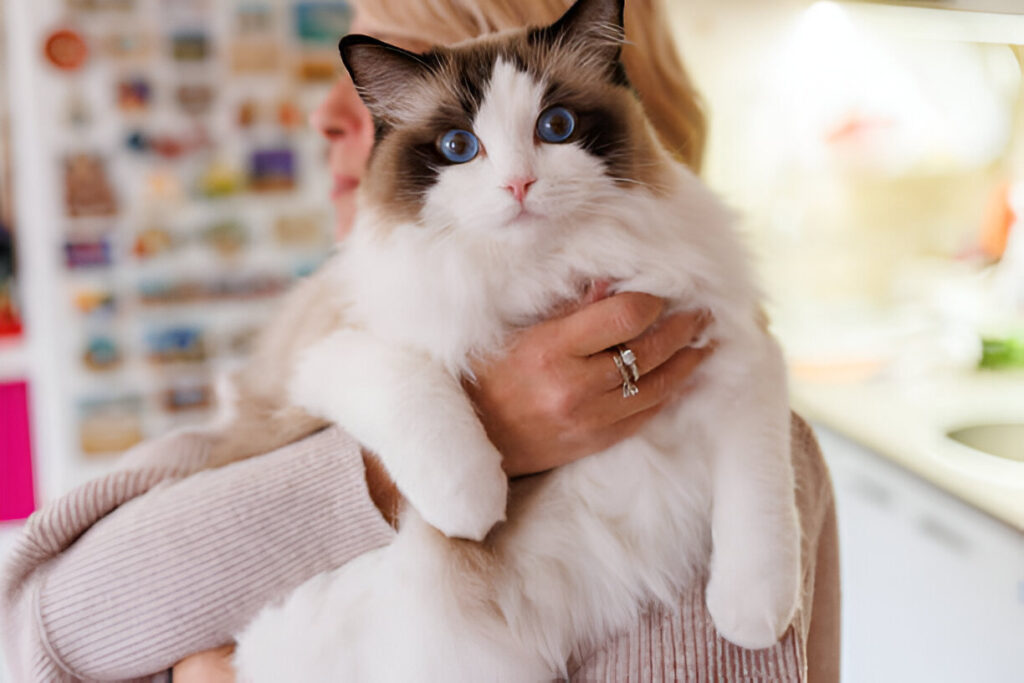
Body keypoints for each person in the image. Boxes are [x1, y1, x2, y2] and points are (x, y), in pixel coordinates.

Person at [0, 1, 840, 681]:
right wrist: (418, 457)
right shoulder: (323, 347)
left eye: (404, 54)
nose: (329, 112)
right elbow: (44, 633)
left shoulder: (737, 436)